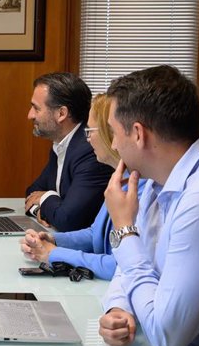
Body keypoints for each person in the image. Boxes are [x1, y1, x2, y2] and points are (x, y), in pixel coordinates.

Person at [98, 65, 199, 346]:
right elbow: (129, 266)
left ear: (137, 133)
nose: (114, 146)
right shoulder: (158, 180)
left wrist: (123, 229)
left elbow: (165, 336)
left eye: (115, 133)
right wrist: (119, 309)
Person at [19, 94, 145, 280]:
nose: (87, 139)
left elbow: (119, 265)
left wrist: (53, 254)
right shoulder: (120, 176)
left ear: (109, 133)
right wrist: (53, 240)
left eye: (90, 131)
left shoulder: (142, 186)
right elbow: (95, 233)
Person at [25, 72, 114, 231]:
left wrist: (46, 198)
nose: (30, 115)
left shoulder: (91, 150)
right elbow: (32, 192)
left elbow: (67, 219)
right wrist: (42, 209)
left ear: (61, 113)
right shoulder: (61, 142)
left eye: (36, 108)